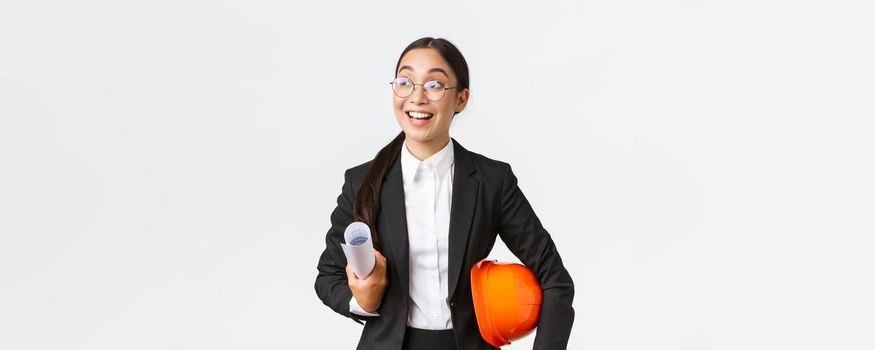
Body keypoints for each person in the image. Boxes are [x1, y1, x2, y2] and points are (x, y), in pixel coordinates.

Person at [314, 37, 575, 350]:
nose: (417, 96)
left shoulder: (492, 181)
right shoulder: (362, 181)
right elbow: (328, 277)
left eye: (435, 84)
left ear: (461, 99)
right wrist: (363, 301)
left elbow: (555, 278)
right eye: (405, 81)